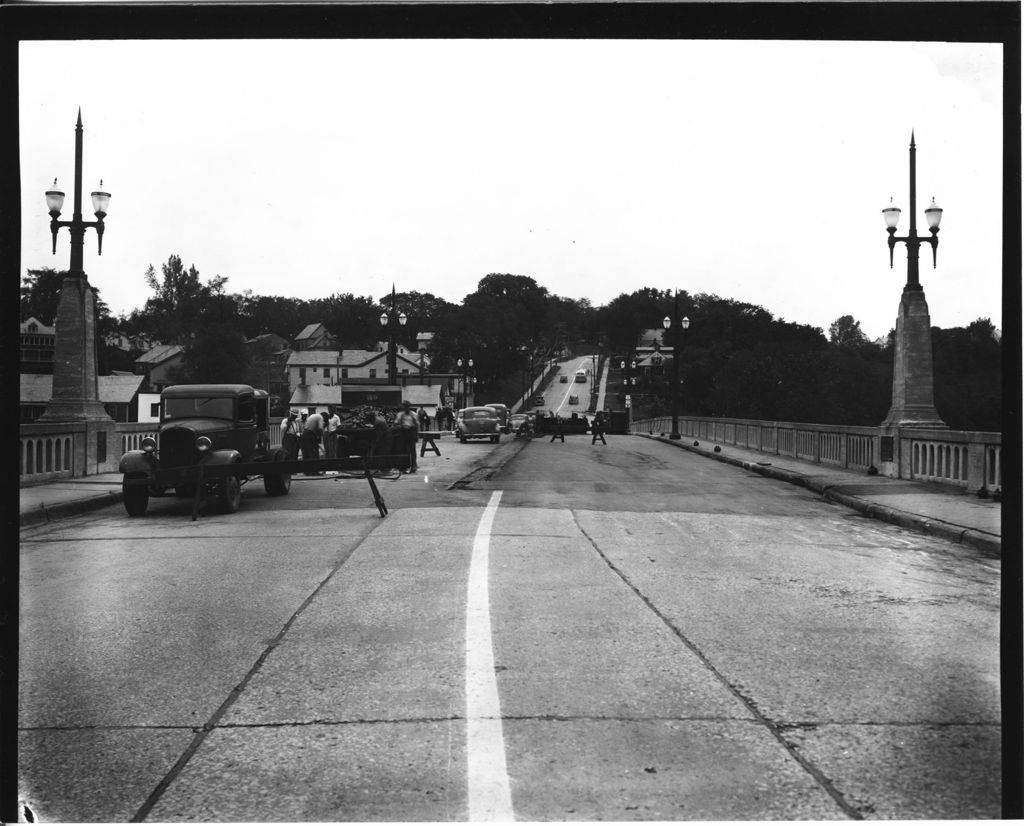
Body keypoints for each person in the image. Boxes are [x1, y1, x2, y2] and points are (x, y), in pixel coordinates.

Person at [396, 400, 419, 473]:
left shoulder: (413, 414)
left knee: (412, 450)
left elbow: (417, 425)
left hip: (411, 432)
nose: (406, 408)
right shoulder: (400, 414)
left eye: (407, 406)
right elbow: (396, 423)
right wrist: (400, 426)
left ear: (409, 407)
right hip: (403, 432)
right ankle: (404, 467)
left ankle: (414, 466)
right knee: (404, 450)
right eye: (404, 406)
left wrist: (416, 435)